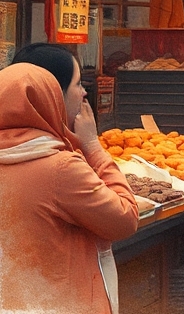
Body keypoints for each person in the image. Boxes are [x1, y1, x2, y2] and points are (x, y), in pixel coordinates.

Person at [1, 47, 138, 314]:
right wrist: (92, 146)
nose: (85, 93)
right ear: (52, 96)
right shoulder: (60, 168)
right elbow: (125, 218)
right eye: (77, 84)